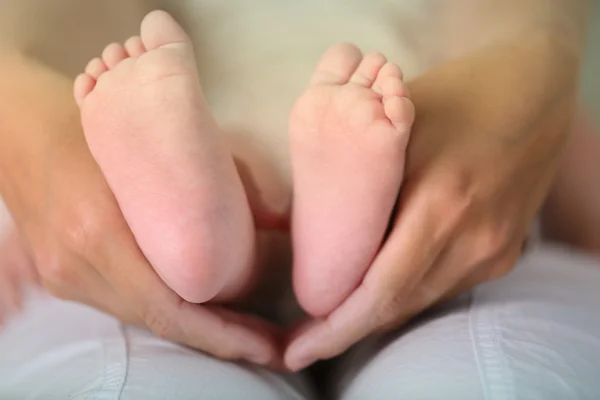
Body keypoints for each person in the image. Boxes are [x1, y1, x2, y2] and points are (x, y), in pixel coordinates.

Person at [1, 0, 600, 397]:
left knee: (234, 175)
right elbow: (557, 153)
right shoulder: (473, 67)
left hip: (215, 141)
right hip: (414, 136)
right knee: (424, 166)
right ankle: (333, 255)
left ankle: (202, 245)